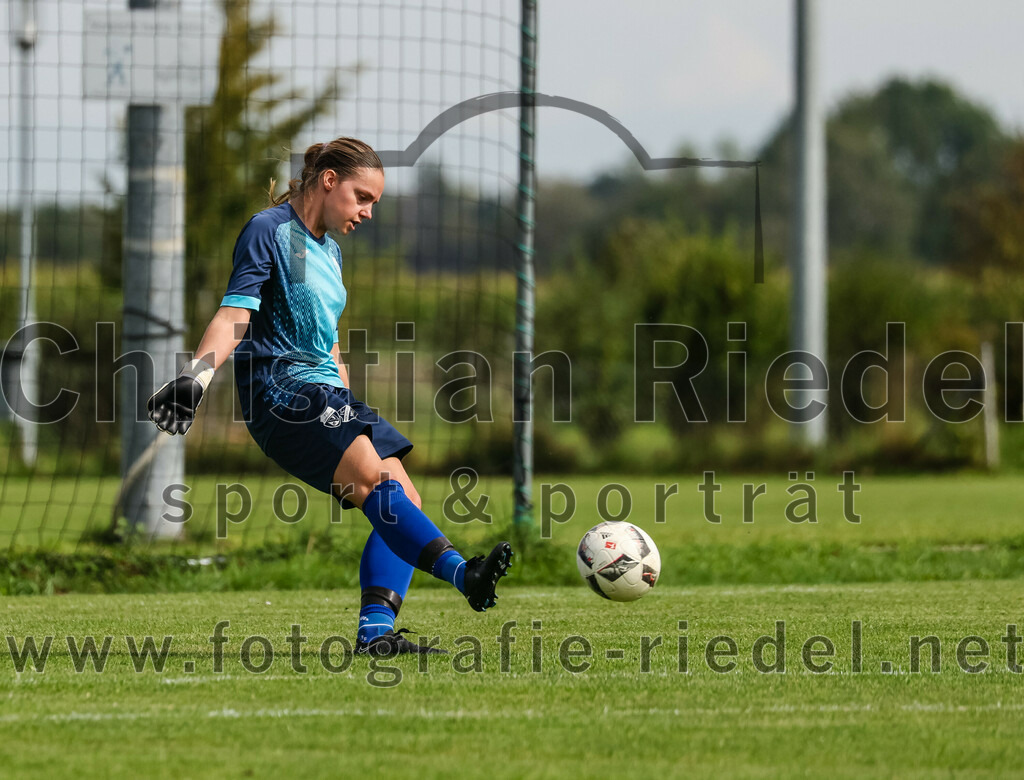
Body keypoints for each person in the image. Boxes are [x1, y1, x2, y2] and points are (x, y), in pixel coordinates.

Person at [147, 137, 513, 657]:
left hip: (325, 393)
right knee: (375, 485)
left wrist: (346, 401)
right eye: (362, 197)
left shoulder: (331, 252)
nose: (366, 212)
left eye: (374, 205)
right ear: (328, 180)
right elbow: (234, 316)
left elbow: (330, 342)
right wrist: (195, 379)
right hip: (281, 392)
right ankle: (465, 574)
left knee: (404, 500)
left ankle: (375, 636)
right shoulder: (268, 231)